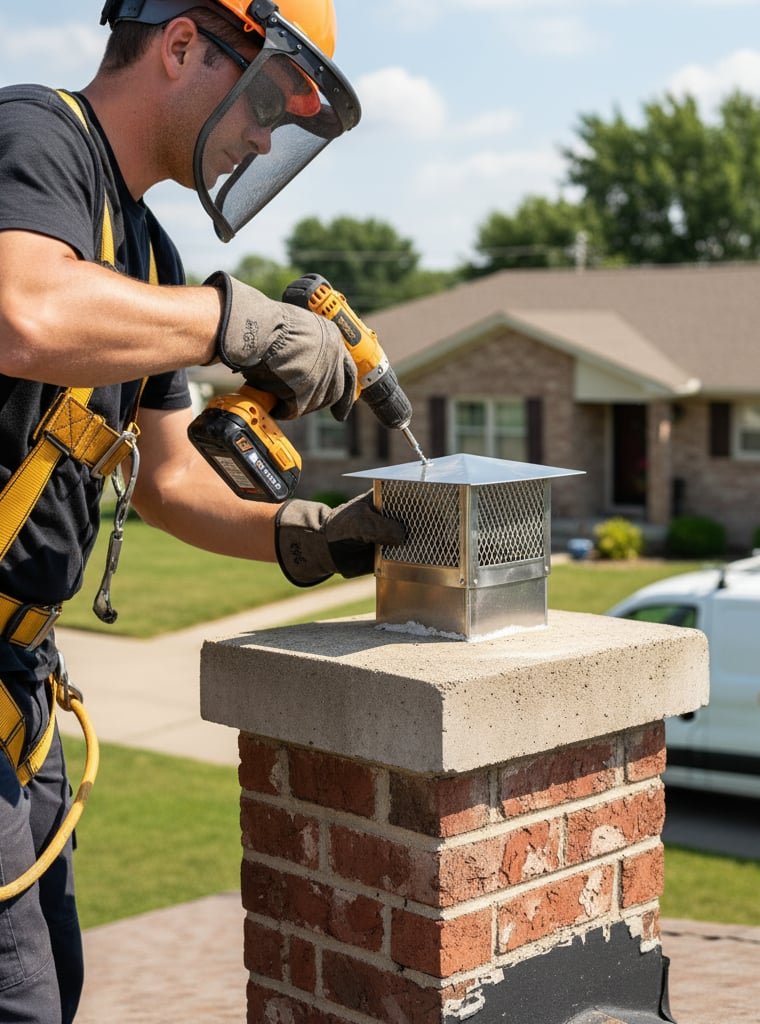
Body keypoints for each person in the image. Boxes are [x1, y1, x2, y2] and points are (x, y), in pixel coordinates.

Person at [0, 2, 404, 1020]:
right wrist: (239, 321)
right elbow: (25, 312)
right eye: (270, 99)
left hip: (23, 690)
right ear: (181, 44)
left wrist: (320, 536)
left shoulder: (146, 256)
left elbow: (174, 479)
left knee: (55, 988)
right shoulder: (34, 136)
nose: (266, 135)